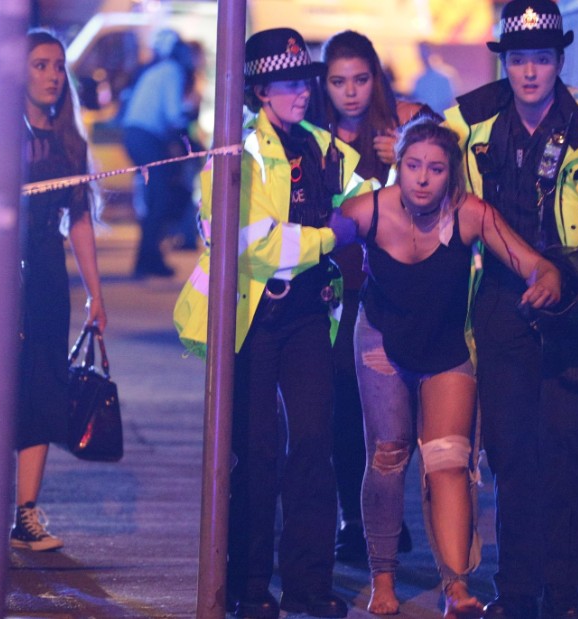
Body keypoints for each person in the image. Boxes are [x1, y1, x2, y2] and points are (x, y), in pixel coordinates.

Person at [444, 1, 578, 617]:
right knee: (510, 453)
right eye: (518, 60)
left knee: (565, 451)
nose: (530, 72)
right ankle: (515, 591)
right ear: (504, 64)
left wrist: (569, 274)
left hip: (575, 311)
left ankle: (562, 595)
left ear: (560, 59)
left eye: (541, 59)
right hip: (501, 308)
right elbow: (430, 183)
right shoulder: (469, 125)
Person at [172, 28, 366, 619]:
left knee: (313, 447)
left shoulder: (324, 147)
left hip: (308, 313)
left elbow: (368, 197)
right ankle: (250, 587)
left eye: (303, 82)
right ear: (258, 90)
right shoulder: (236, 151)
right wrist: (333, 235)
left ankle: (308, 585)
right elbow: (256, 244)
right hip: (253, 316)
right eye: (287, 84)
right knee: (254, 455)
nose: (301, 94)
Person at [338, 118, 562, 618]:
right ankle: (383, 577)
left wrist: (548, 279)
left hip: (444, 348)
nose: (421, 178)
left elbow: (533, 263)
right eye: (412, 166)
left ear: (451, 175)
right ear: (398, 166)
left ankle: (456, 585)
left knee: (448, 459)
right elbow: (314, 243)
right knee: (390, 452)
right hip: (382, 341)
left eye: (435, 169)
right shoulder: (367, 210)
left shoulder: (470, 214)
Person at [318, 28, 434, 564]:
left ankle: (396, 516)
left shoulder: (407, 121)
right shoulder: (312, 135)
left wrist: (403, 150)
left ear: (376, 79)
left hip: (405, 287)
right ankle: (352, 516)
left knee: (402, 416)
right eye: (338, 81)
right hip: (339, 289)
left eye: (361, 79)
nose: (350, 92)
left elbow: (445, 178)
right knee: (346, 407)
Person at [12, 29, 107, 552]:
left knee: (44, 390)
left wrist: (96, 293)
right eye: (40, 65)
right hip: (3, 272)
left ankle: (25, 512)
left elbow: (80, 222)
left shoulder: (71, 139)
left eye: (57, 66)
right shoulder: (2, 134)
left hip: (48, 274)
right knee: (2, 388)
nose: (52, 76)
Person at [122, 29, 198, 277]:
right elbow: (174, 114)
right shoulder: (173, 72)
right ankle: (148, 260)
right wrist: (191, 140)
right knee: (161, 198)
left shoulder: (158, 69)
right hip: (146, 136)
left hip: (136, 134)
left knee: (156, 198)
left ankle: (148, 258)